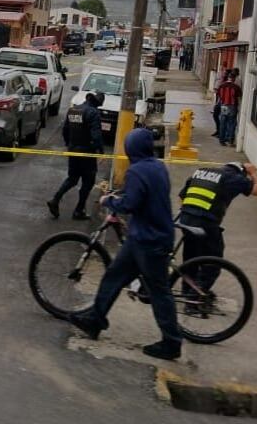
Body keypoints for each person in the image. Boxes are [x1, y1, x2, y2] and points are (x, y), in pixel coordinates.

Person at [67, 128, 182, 361]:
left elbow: (130, 204)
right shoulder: (158, 167)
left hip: (149, 241)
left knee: (159, 293)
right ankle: (94, 319)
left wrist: (110, 200)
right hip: (143, 238)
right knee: (114, 276)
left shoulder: (137, 171)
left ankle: (172, 342)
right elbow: (144, 196)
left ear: (132, 149)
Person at [178, 162, 257, 293]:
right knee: (213, 264)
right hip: (205, 224)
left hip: (185, 219)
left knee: (190, 260)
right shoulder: (234, 178)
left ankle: (188, 292)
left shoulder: (201, 171)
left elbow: (181, 196)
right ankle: (195, 296)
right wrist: (253, 172)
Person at [47, 92, 104, 221]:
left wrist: (69, 145)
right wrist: (99, 150)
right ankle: (79, 210)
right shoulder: (93, 113)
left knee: (72, 179)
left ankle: (55, 200)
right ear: (97, 103)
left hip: (73, 151)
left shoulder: (73, 110)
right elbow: (96, 136)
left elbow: (65, 130)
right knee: (88, 182)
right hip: (87, 153)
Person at [217, 73, 242, 146]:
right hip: (232, 106)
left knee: (223, 122)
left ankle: (221, 140)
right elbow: (239, 96)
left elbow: (218, 95)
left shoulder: (221, 86)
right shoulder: (236, 87)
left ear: (228, 78)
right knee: (232, 123)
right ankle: (230, 140)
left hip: (224, 106)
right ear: (234, 79)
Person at [210, 69, 231, 137]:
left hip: (225, 104)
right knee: (215, 115)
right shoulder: (222, 82)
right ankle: (218, 130)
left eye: (225, 73)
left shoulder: (229, 84)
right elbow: (218, 92)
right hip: (219, 102)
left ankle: (222, 134)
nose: (224, 75)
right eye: (224, 73)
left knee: (224, 118)